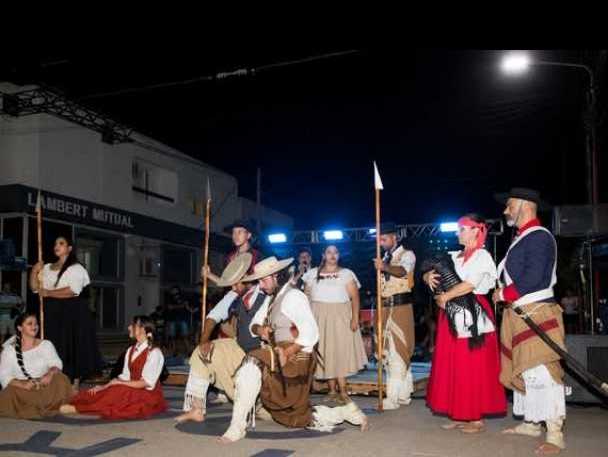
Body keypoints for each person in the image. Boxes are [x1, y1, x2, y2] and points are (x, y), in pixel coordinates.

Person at [218, 256, 368, 443]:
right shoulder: (272, 300)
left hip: (298, 356)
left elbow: (311, 332)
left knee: (251, 366)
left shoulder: (293, 296)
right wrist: (261, 329)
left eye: (263, 280)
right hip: (278, 353)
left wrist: (288, 352)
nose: (261, 286)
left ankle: (236, 427)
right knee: (292, 417)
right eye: (259, 281)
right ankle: (345, 412)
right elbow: (254, 324)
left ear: (276, 277)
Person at [493, 188, 566, 455]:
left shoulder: (539, 237)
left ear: (525, 205)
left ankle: (555, 433)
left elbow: (535, 277)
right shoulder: (522, 238)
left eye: (509, 205)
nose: (505, 210)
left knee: (542, 371)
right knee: (524, 369)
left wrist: (503, 293)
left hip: (536, 312)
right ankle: (532, 423)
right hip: (520, 313)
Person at [423, 214, 506, 433]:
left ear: (476, 231)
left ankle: (475, 417)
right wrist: (427, 277)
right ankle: (459, 412)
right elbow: (435, 271)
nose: (457, 233)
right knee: (453, 364)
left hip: (472, 311)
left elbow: (470, 284)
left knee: (472, 364)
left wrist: (446, 297)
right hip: (450, 313)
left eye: (462, 229)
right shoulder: (455, 256)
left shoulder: (482, 256)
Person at [175, 253, 273, 424]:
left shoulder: (266, 293)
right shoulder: (233, 296)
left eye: (236, 283)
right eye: (231, 284)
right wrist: (204, 341)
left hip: (261, 353)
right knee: (201, 353)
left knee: (264, 409)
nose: (233, 288)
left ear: (247, 279)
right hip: (239, 348)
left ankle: (256, 405)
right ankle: (196, 409)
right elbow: (212, 317)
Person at [29, 236, 102, 388]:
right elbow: (35, 288)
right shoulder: (47, 267)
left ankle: (73, 383)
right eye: (55, 243)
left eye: (61, 243)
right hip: (52, 312)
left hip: (71, 312)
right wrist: (34, 271)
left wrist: (49, 293)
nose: (57, 246)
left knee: (70, 346)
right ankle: (52, 378)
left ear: (69, 248)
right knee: (52, 344)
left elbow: (73, 291)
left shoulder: (76, 268)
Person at [60, 315, 167, 420]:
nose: (129, 327)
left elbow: (146, 383)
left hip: (147, 394)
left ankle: (79, 409)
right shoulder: (131, 350)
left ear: (142, 330)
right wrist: (104, 386)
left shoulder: (154, 353)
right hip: (130, 388)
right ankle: (72, 402)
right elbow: (125, 376)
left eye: (133, 325)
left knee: (117, 393)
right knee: (101, 391)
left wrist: (119, 383)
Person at [303, 245, 367, 404]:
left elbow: (355, 298)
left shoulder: (346, 274)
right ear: (324, 255)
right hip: (318, 316)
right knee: (325, 350)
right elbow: (305, 298)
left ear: (339, 255)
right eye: (329, 252)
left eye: (336, 252)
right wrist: (305, 320)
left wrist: (354, 318)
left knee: (340, 351)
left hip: (340, 316)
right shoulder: (311, 274)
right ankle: (331, 390)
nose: (333, 255)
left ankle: (343, 391)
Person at [372, 222, 417, 410]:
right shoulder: (385, 257)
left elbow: (402, 271)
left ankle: (391, 398)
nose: (381, 243)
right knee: (388, 353)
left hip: (400, 308)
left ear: (394, 238)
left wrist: (384, 267)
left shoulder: (407, 255)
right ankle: (404, 395)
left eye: (384, 239)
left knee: (400, 350)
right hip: (384, 309)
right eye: (379, 240)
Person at [0, 312, 72, 418]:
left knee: (61, 379)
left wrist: (50, 374)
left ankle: (37, 406)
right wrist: (23, 385)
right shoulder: (9, 350)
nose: (34, 326)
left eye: (36, 323)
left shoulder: (46, 344)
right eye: (30, 323)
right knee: (10, 392)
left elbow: (56, 364)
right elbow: (4, 376)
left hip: (45, 385)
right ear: (20, 328)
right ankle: (46, 407)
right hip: (22, 388)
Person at [205, 219, 261, 284]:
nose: (235, 236)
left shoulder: (256, 256)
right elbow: (226, 282)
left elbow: (257, 281)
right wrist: (208, 274)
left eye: (239, 232)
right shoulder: (229, 257)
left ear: (248, 235)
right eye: (233, 232)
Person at [165, 286, 194, 355]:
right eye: (172, 290)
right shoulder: (169, 298)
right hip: (173, 319)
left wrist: (176, 307)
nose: (174, 291)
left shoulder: (183, 297)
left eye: (175, 290)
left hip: (182, 319)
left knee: (185, 336)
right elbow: (169, 307)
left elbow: (186, 306)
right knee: (173, 337)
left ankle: (189, 351)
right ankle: (174, 351)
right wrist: (180, 306)